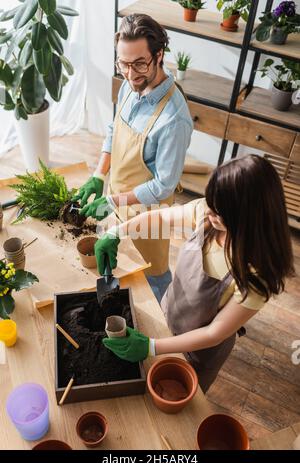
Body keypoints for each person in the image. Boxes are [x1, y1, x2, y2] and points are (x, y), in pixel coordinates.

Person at [95, 155, 294, 393]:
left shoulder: (257, 273)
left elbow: (214, 332)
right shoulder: (206, 215)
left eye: (218, 211)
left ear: (246, 216)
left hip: (198, 350)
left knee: (173, 396)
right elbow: (159, 217)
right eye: (210, 203)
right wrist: (117, 232)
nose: (209, 211)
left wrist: (151, 347)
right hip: (167, 313)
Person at [72, 13, 193, 302]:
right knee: (115, 258)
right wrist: (99, 176)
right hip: (116, 196)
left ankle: (168, 319)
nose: (130, 73)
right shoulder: (130, 83)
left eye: (139, 63)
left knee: (154, 276)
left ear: (159, 55)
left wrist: (113, 200)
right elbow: (115, 129)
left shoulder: (174, 119)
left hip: (147, 215)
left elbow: (163, 186)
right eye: (123, 64)